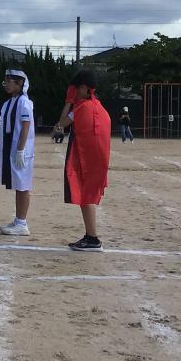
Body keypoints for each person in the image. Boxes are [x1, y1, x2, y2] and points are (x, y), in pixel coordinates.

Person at [55, 70, 111, 251]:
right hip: (97, 159)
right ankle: (90, 236)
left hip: (85, 159)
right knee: (87, 197)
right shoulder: (99, 107)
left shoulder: (81, 107)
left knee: (85, 196)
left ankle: (92, 238)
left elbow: (62, 123)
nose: (74, 92)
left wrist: (68, 102)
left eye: (76, 88)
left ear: (85, 88)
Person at [0, 69, 35, 236]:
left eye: (9, 81)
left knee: (23, 185)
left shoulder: (24, 102)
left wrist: (20, 150)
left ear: (19, 83)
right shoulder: (9, 103)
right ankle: (18, 220)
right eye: (5, 81)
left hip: (21, 151)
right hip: (11, 150)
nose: (6, 84)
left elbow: (25, 127)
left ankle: (22, 222)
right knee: (18, 185)